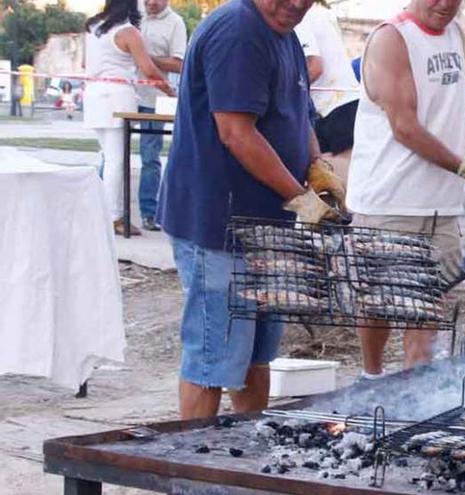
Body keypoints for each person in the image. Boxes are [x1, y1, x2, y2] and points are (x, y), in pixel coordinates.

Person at [156, 0, 345, 419]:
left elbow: (298, 117)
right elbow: (236, 133)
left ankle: (245, 460)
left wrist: (317, 169)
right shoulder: (239, 30)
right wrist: (300, 198)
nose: (297, 3)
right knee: (213, 361)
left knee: (257, 359)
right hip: (219, 225)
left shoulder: (287, 37)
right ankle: (193, 473)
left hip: (266, 226)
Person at [347, 0, 465, 380]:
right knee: (379, 303)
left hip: (442, 207)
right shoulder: (392, 40)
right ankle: (370, 378)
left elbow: (461, 68)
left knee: (428, 309)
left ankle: (413, 394)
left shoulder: (453, 30)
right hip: (389, 201)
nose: (446, 4)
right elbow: (404, 126)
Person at [83, 0, 174, 236]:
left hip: (93, 94)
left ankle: (103, 213)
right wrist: (170, 91)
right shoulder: (129, 32)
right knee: (115, 161)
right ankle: (113, 217)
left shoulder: (94, 26)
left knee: (107, 157)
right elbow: (149, 69)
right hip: (116, 97)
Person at [136, 0, 187, 232]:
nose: (151, 3)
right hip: (126, 94)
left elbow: (178, 64)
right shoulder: (133, 15)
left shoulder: (175, 23)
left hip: (153, 99)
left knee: (150, 156)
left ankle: (149, 212)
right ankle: (108, 209)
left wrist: (145, 57)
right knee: (112, 157)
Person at [295, 0, 360, 184]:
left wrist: (284, 91)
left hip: (334, 108)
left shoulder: (300, 18)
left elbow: (315, 66)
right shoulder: (318, 13)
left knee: (333, 185)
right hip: (342, 104)